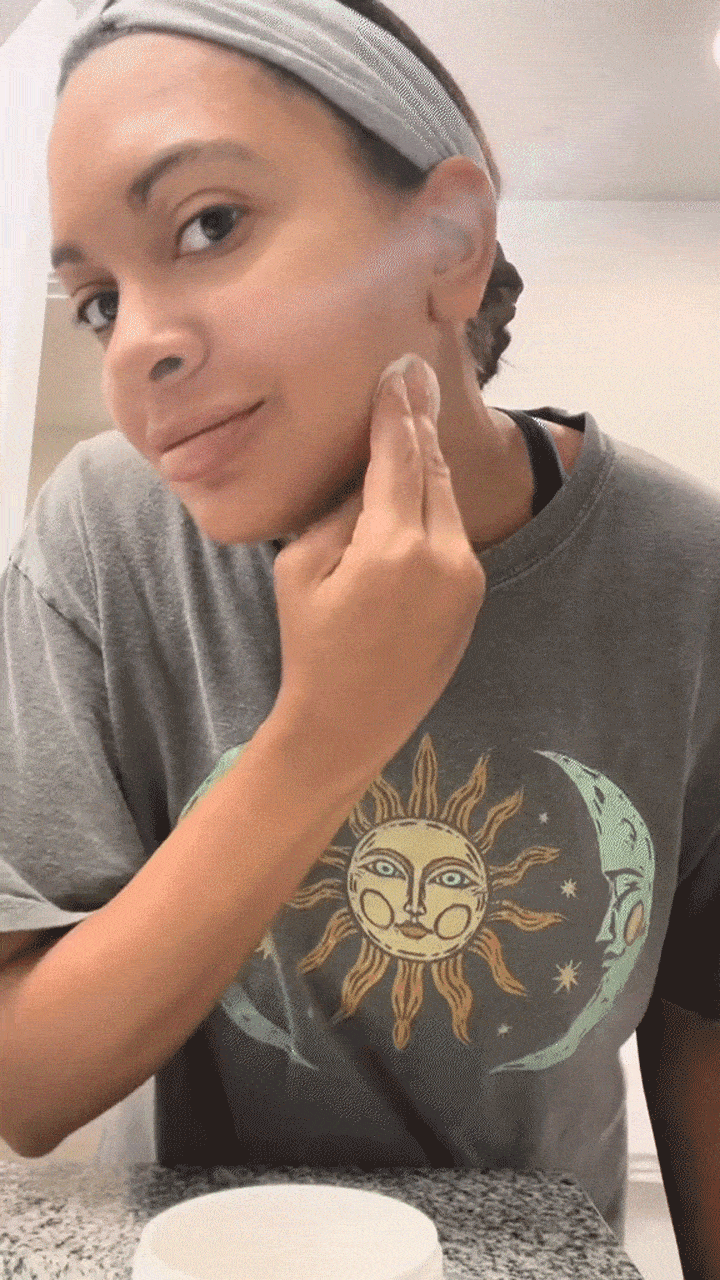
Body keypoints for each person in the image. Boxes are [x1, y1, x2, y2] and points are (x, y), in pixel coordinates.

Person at [1, 0, 719, 1272]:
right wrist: (324, 731)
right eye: (99, 300)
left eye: (209, 225)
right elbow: (26, 1078)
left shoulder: (685, 570)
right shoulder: (105, 536)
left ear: (449, 241)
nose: (140, 344)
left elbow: (702, 1009)